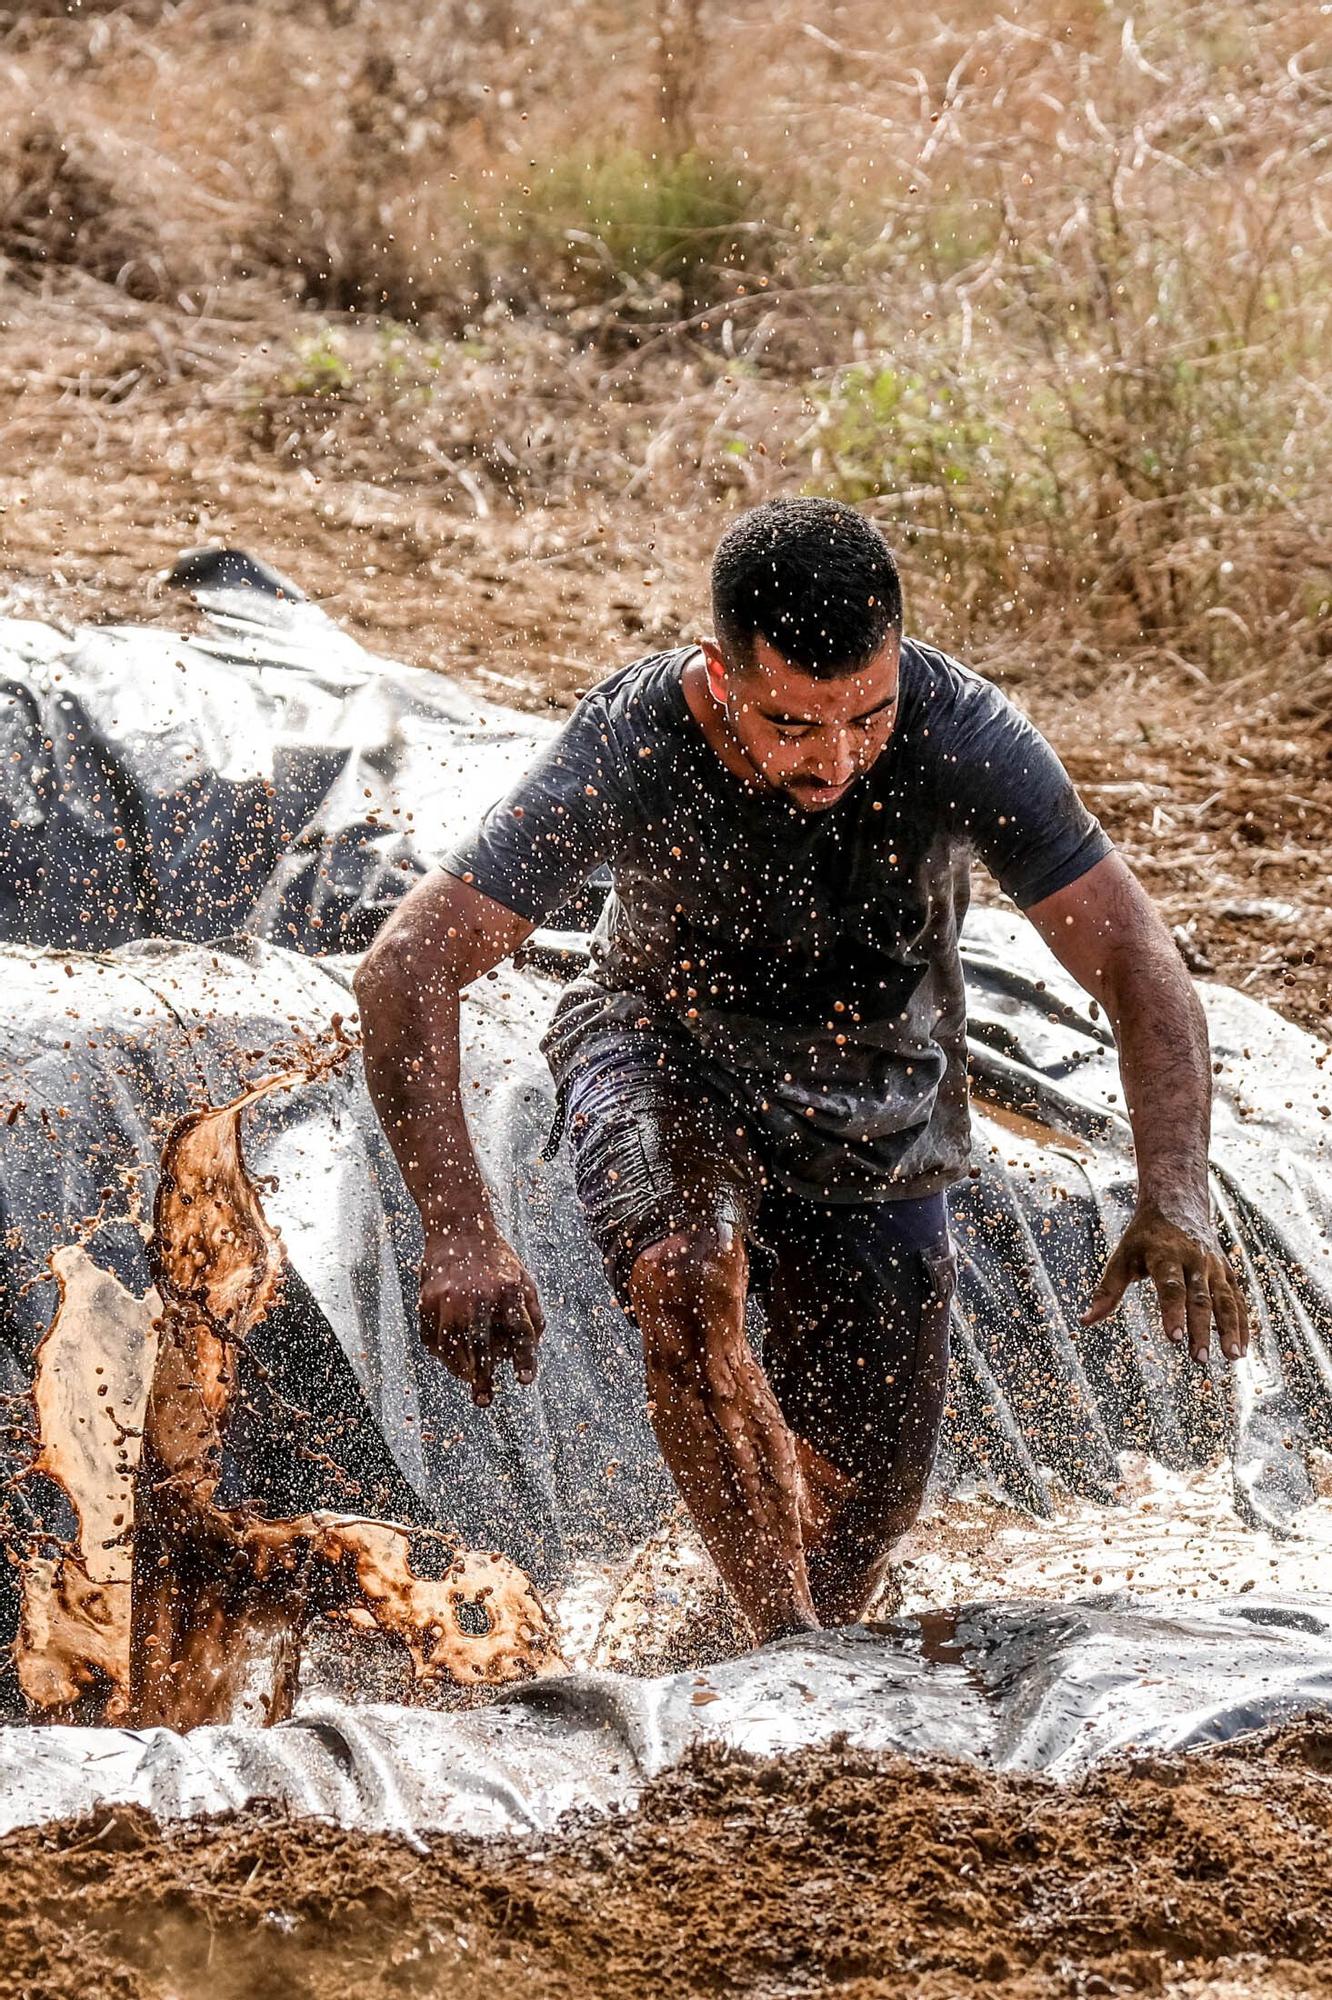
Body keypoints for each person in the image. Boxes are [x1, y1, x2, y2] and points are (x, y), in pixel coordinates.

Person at [354, 498, 1249, 1643]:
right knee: (686, 1270)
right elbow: (405, 966)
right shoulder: (634, 740)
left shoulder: (962, 732)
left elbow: (1137, 957)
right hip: (663, 1041)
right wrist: (459, 1226)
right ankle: (778, 1645)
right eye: (791, 724)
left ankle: (772, 1639)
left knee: (870, 1509)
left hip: (879, 1088)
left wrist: (1176, 1192)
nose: (833, 758)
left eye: (864, 719)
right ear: (722, 678)